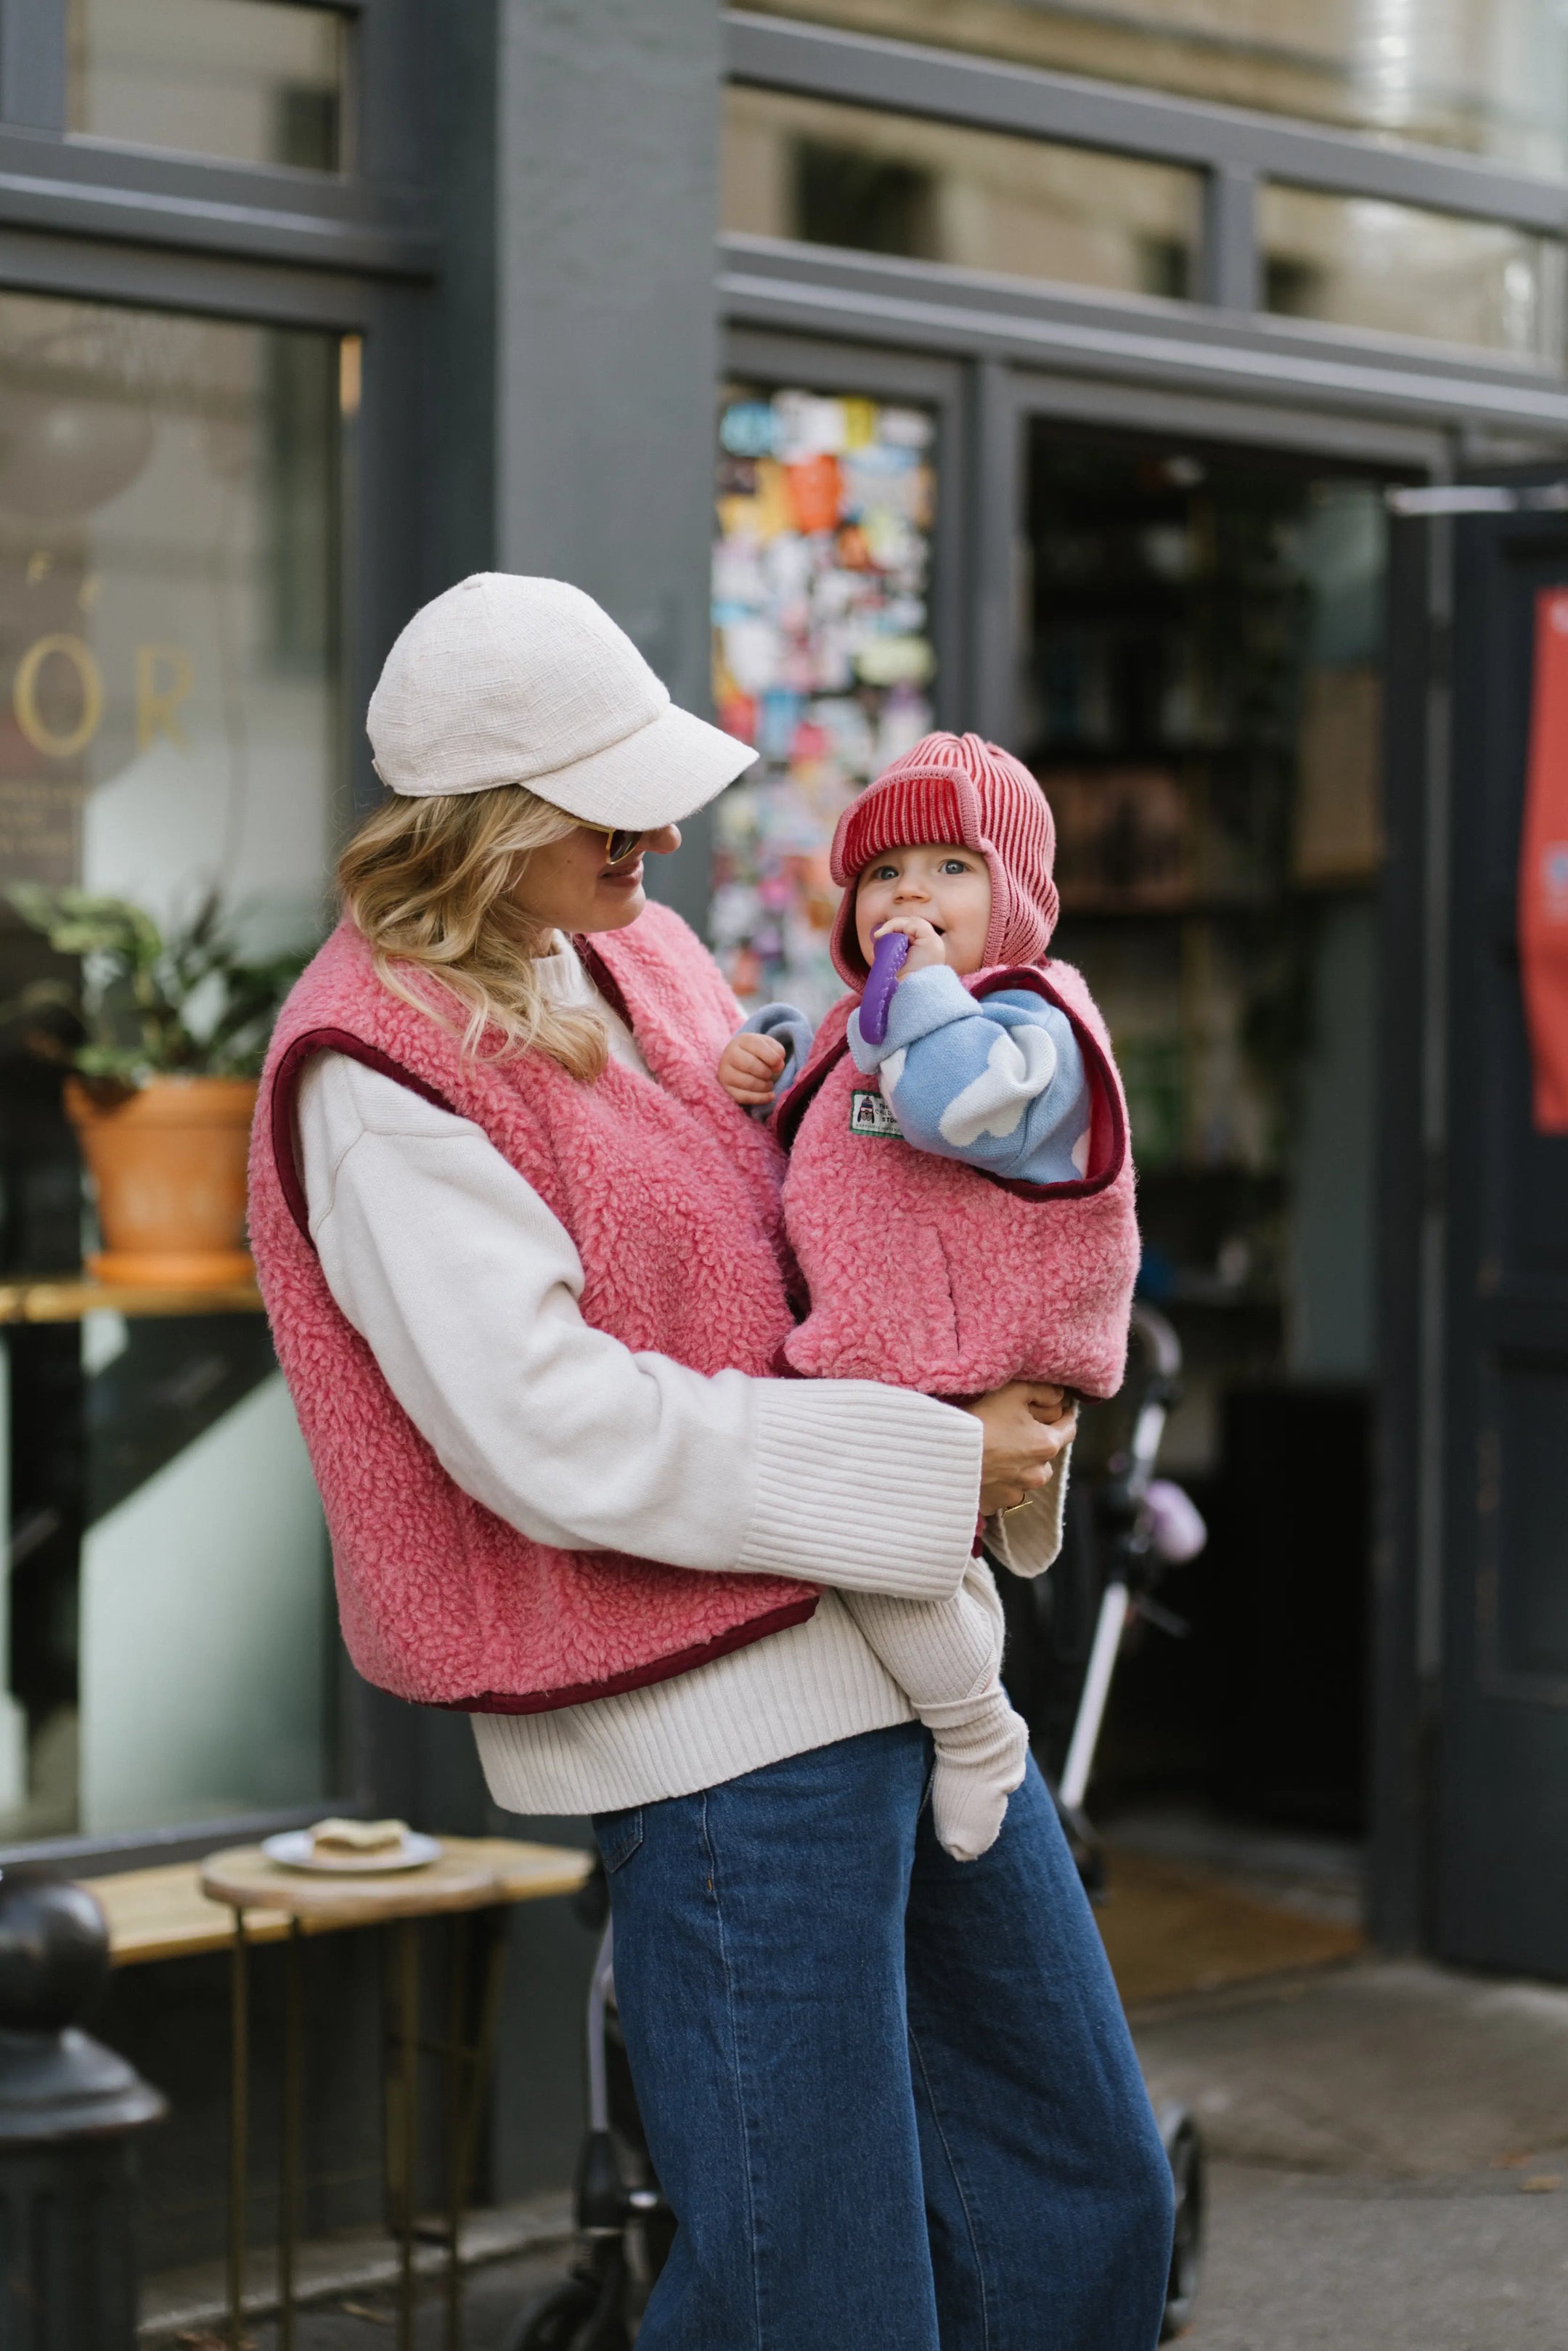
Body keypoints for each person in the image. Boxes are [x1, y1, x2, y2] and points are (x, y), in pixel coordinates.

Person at [248, 574, 1174, 2351]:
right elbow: (553, 1432)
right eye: (616, 807)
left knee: (1082, 2204)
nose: (664, 836)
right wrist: (935, 1457)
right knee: (816, 2298)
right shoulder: (370, 1069)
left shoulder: (636, 947)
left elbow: (808, 1208)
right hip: (718, 1725)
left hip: (900, 1646)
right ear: (491, 818)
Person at [716, 733, 1139, 1862]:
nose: (910, 893)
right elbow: (830, 1124)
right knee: (889, 1567)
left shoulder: (1036, 1024)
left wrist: (905, 1000)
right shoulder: (884, 1020)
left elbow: (954, 1106)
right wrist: (779, 1056)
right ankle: (964, 1721)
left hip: (973, 1358)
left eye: (953, 867)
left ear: (1018, 898)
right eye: (883, 872)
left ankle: (978, 1729)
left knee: (893, 1562)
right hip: (884, 1358)